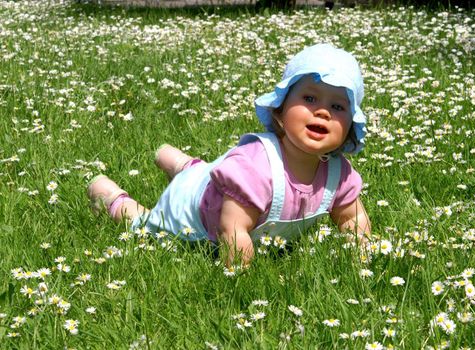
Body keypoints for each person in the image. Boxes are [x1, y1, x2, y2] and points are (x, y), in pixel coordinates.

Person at [88, 43, 371, 265]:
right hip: (196, 215)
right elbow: (233, 231)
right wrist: (240, 278)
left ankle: (181, 164)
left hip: (213, 179)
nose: (322, 111)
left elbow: (351, 219)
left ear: (348, 129)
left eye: (338, 107)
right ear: (280, 109)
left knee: (202, 173)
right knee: (150, 228)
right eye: (309, 98)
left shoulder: (338, 174)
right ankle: (114, 198)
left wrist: (360, 256)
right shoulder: (256, 168)